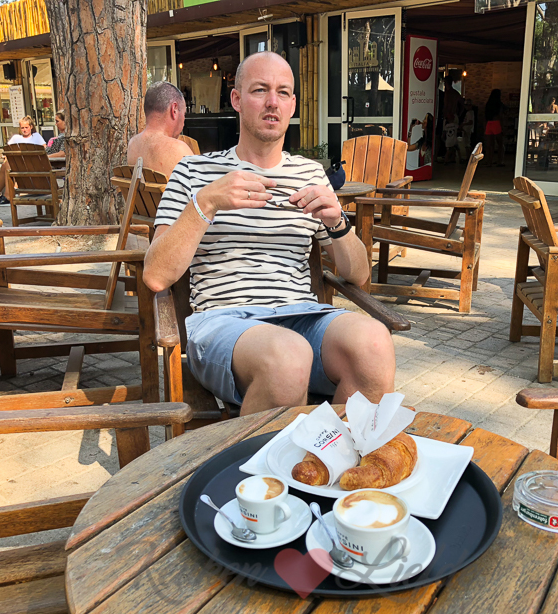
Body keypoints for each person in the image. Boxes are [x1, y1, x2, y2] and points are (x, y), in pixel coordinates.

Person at [143, 51, 395, 416]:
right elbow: (155, 275)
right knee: (287, 357)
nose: (273, 102)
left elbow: (358, 275)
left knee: (374, 345)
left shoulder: (310, 175)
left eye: (283, 92)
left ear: (292, 105)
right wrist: (206, 203)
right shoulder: (193, 171)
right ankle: (259, 457)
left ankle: (334, 450)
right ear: (236, 99)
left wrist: (337, 222)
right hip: (225, 323)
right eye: (260, 90)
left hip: (303, 316)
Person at [127, 81, 193, 178]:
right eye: (184, 114)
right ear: (174, 110)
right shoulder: (179, 150)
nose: (183, 122)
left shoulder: (132, 145)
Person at [0, 116, 46, 206]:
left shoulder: (36, 136)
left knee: (7, 164)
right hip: (18, 165)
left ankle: (6, 195)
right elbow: (7, 152)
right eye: (22, 128)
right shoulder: (16, 138)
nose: (24, 130)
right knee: (5, 164)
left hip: (32, 165)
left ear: (31, 127)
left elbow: (44, 150)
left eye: (26, 127)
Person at [484, 89, 505, 167]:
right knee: (500, 144)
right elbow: (500, 116)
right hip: (496, 123)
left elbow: (485, 116)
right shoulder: (499, 104)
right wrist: (502, 126)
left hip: (489, 123)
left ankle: (489, 161)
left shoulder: (488, 104)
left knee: (490, 145)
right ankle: (500, 161)